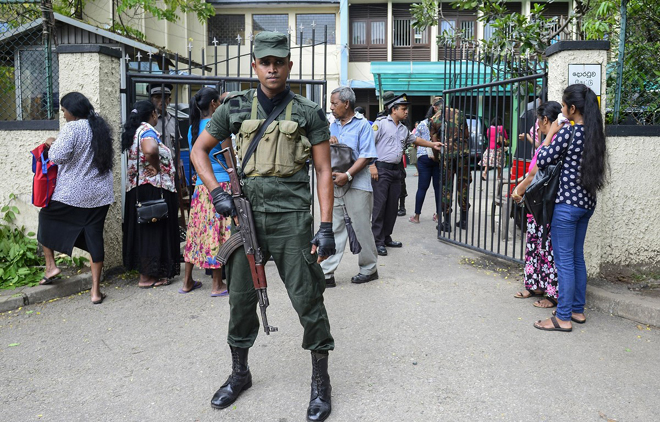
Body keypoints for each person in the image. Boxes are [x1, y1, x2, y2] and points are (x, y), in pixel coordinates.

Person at [190, 32, 336, 421]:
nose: (272, 68)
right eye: (265, 61)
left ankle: (321, 383)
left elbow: (323, 169)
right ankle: (240, 373)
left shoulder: (308, 111)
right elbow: (198, 150)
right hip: (247, 219)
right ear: (254, 65)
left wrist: (325, 226)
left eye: (279, 61)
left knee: (308, 299)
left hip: (292, 221)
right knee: (240, 300)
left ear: (289, 65)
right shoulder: (235, 107)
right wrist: (216, 191)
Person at [533, 84, 607, 332]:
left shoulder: (569, 133)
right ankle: (577, 310)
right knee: (576, 257)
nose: (562, 110)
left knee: (564, 261)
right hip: (586, 204)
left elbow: (542, 159)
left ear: (572, 108)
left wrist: (551, 132)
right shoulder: (595, 134)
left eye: (564, 106)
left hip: (566, 206)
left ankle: (562, 317)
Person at [37, 92, 113, 305]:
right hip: (101, 195)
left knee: (46, 218)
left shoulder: (73, 128)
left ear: (72, 111)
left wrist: (52, 142)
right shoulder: (100, 127)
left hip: (73, 195)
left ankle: (51, 266)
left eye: (63, 111)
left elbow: (57, 157)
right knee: (94, 236)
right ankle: (96, 291)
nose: (63, 115)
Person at [370, 93, 444, 256]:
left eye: (406, 109)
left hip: (396, 170)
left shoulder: (403, 129)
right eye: (403, 109)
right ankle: (377, 240)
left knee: (392, 207)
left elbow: (415, 140)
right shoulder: (380, 124)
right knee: (379, 206)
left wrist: (432, 144)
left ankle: (386, 236)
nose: (406, 112)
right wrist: (371, 165)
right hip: (381, 169)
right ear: (393, 110)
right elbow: (368, 144)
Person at [321, 86, 379, 287]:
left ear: (346, 104)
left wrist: (347, 175)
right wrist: (328, 140)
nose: (331, 107)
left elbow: (367, 155)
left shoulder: (363, 126)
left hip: (357, 184)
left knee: (361, 227)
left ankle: (369, 269)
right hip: (335, 183)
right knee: (335, 228)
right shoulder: (331, 125)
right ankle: (327, 273)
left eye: (334, 103)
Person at [122, 100, 180, 288]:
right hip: (154, 189)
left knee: (145, 231)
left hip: (138, 190)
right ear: (153, 114)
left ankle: (145, 275)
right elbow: (150, 149)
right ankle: (150, 276)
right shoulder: (147, 130)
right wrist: (156, 167)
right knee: (155, 231)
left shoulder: (133, 131)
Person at [511, 101, 562, 308]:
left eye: (539, 121)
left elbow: (535, 172)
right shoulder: (547, 140)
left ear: (546, 120)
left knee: (546, 248)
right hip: (538, 203)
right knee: (534, 245)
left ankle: (551, 294)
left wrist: (519, 189)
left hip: (545, 203)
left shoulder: (555, 141)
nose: (537, 125)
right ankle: (535, 286)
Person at [180, 87, 231, 296]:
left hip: (201, 187)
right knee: (216, 234)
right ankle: (217, 285)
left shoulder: (193, 128)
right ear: (213, 104)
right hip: (220, 185)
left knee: (195, 232)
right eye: (219, 102)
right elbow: (230, 160)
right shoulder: (218, 126)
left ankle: (187, 281)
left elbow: (196, 157)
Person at [430, 97, 470, 231]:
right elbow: (466, 135)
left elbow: (434, 143)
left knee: (446, 188)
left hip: (447, 156)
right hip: (462, 155)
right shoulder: (460, 113)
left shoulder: (435, 119)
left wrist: (436, 158)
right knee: (463, 186)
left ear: (435, 107)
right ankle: (463, 220)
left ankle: (446, 224)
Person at [409, 113, 440, 224]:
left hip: (423, 157)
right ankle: (438, 216)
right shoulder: (442, 124)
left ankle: (417, 216)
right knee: (438, 188)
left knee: (422, 188)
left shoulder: (422, 124)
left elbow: (414, 139)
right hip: (438, 156)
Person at [149, 83, 181, 152]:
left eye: (165, 97)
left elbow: (177, 144)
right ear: (151, 99)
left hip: (172, 161)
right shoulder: (148, 120)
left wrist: (177, 162)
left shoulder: (173, 120)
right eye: (157, 97)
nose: (162, 100)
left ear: (169, 100)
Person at [480, 117, 509, 181]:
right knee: (500, 162)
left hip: (490, 147)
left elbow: (488, 137)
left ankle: (484, 173)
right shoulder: (501, 128)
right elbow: (506, 137)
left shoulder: (489, 129)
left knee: (488, 161)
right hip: (499, 147)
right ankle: (499, 176)